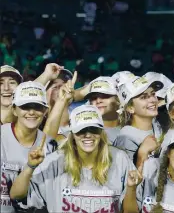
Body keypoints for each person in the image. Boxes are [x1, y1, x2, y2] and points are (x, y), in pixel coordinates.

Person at [10, 104, 141, 213]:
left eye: (93, 129)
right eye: (82, 130)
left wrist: (131, 188)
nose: (88, 135)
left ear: (101, 132)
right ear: (72, 133)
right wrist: (30, 166)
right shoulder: (56, 161)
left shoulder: (119, 159)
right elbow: (16, 195)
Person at [1, 81, 56, 213]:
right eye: (25, 106)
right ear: (14, 110)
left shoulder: (51, 146)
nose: (31, 112)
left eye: (37, 107)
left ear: (45, 111)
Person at [113, 75, 164, 162]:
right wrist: (142, 153)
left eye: (153, 94)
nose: (152, 100)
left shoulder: (156, 123)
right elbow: (126, 173)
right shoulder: (127, 137)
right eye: (143, 97)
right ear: (130, 108)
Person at [83, 76, 122, 144]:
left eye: (104, 96)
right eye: (94, 98)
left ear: (118, 99)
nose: (98, 101)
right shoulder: (84, 131)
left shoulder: (131, 127)